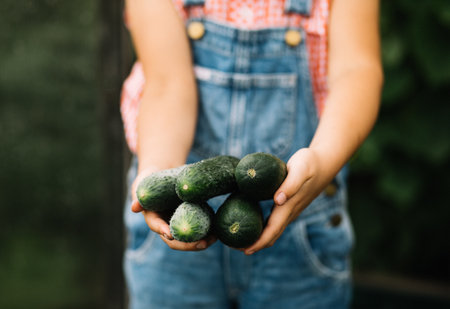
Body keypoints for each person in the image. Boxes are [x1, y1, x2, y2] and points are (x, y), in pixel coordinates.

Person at [120, 0, 383, 308]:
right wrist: (160, 172)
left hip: (302, 229)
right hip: (177, 231)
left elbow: (357, 72)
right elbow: (167, 84)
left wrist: (322, 160)